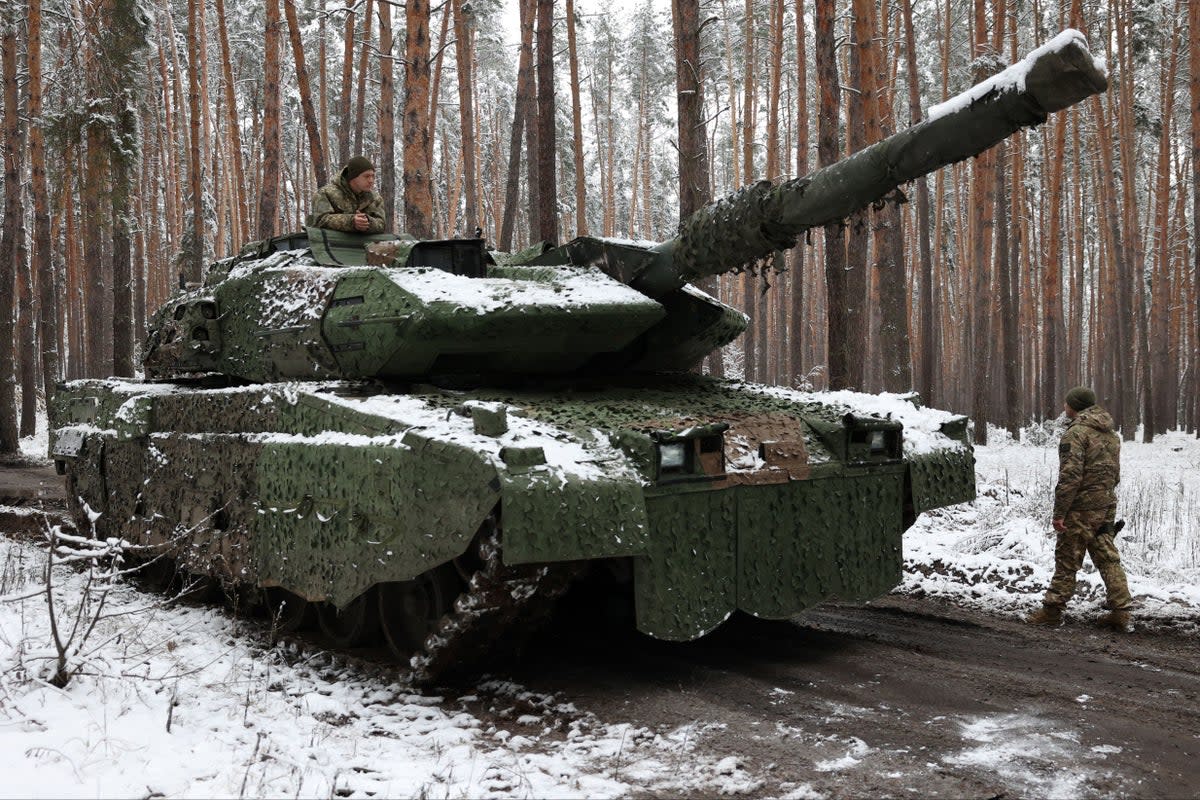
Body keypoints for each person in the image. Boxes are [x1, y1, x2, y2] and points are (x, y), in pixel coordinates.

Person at [1027, 386, 1133, 631]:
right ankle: (1122, 612)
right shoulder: (1109, 434)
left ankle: (1051, 611)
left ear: (1073, 406)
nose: (1064, 407)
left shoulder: (1076, 434)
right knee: (1107, 557)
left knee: (1067, 559)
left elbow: (1070, 477)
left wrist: (1059, 513)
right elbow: (1114, 473)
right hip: (1105, 503)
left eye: (1066, 404)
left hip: (1081, 508)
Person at [310, 156, 385, 233]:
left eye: (373, 176)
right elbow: (320, 220)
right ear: (353, 177)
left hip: (366, 243)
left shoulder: (375, 199)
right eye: (366, 176)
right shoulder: (326, 193)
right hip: (332, 243)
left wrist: (367, 222)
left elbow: (382, 224)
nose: (371, 180)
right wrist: (351, 221)